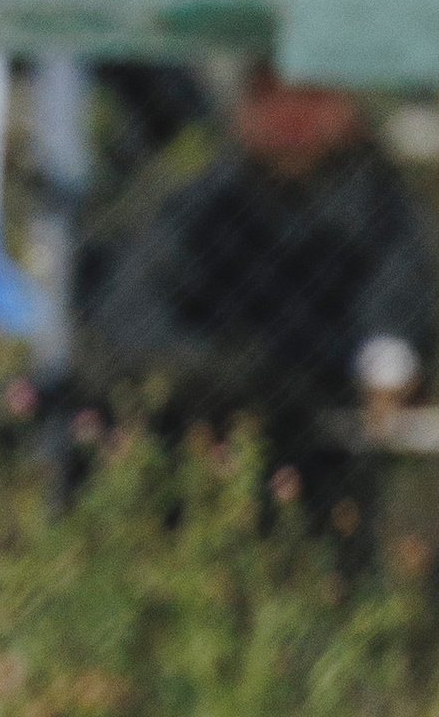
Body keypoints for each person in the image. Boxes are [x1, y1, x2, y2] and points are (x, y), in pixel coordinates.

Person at [78, 60, 434, 528]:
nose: (290, 115)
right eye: (270, 96)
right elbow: (129, 318)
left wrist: (380, 367)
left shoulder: (388, 214)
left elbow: (394, 323)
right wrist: (224, 376)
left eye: (310, 94)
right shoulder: (195, 210)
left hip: (339, 466)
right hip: (197, 459)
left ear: (347, 107)